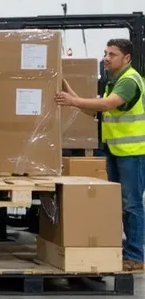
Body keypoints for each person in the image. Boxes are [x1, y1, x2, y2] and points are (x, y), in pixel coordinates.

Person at [58, 38, 145, 271]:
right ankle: (126, 252)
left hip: (132, 153)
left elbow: (107, 105)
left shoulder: (129, 81)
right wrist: (72, 97)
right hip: (116, 150)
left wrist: (74, 100)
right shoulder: (114, 81)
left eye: (112, 54)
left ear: (127, 58)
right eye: (105, 53)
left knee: (132, 204)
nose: (106, 58)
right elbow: (96, 110)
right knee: (121, 203)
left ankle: (136, 256)